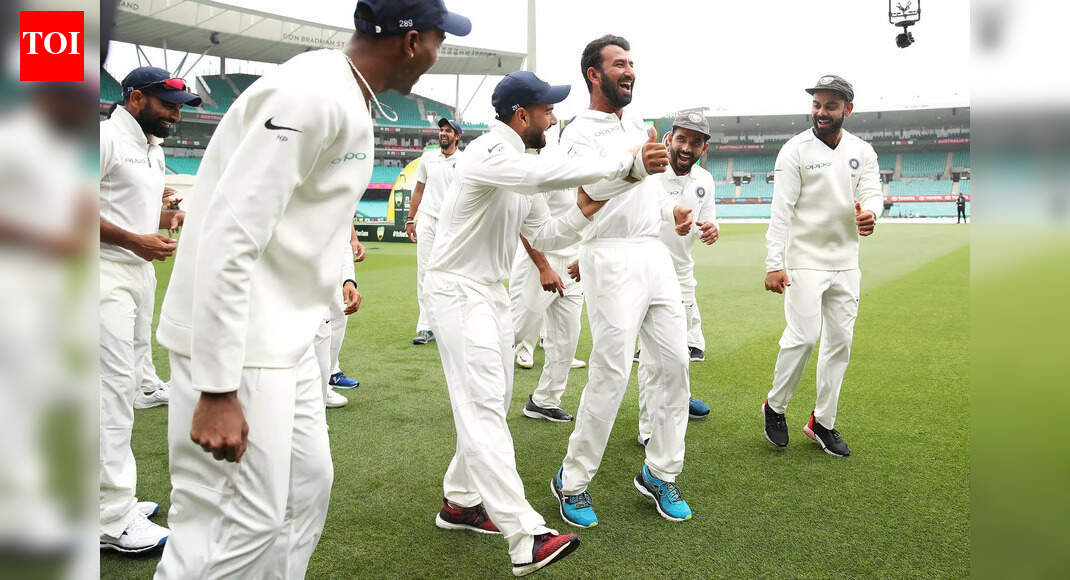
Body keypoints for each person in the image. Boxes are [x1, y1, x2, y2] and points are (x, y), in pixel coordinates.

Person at [152, 2, 469, 577]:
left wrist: (338, 276)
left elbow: (305, 210)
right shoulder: (311, 95)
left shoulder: (341, 89)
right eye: (438, 42)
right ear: (411, 40)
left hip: (286, 338)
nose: (436, 56)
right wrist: (218, 385)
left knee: (305, 490)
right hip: (243, 343)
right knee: (229, 520)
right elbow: (231, 234)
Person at [425, 70, 663, 576]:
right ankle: (524, 534)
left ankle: (460, 502)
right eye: (548, 110)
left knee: (488, 402)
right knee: (485, 408)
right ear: (521, 115)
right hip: (456, 290)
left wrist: (593, 206)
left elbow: (549, 233)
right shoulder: (491, 153)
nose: (554, 118)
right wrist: (628, 160)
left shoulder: (522, 163)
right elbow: (542, 177)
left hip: (487, 293)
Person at [552, 35, 695, 529]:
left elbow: (649, 192)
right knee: (610, 373)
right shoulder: (576, 133)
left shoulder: (636, 123)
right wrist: (636, 165)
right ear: (595, 74)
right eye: (619, 64)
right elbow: (589, 190)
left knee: (675, 364)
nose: (629, 71)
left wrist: (670, 210)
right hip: (607, 254)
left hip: (652, 253)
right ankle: (572, 481)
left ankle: (661, 471)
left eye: (632, 63)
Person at [99, 66, 199, 553]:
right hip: (97, 273)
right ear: (136, 98)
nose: (175, 115)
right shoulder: (102, 138)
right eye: (168, 105)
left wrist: (163, 217)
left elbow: (118, 205)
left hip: (135, 274)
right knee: (110, 392)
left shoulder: (151, 148)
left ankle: (107, 500)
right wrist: (133, 238)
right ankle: (109, 520)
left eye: (179, 107)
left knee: (131, 386)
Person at [761, 74, 882, 458]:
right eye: (817, 104)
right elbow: (780, 213)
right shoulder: (794, 150)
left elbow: (872, 193)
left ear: (848, 109)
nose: (821, 112)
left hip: (846, 262)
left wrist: (872, 215)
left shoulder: (862, 151)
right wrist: (773, 263)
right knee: (804, 337)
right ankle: (775, 407)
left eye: (830, 105)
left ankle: (822, 422)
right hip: (804, 261)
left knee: (840, 344)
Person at [635, 111, 720, 444]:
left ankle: (679, 400)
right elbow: (641, 216)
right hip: (645, 273)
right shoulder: (651, 174)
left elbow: (706, 222)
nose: (687, 147)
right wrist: (670, 217)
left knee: (680, 351)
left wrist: (710, 230)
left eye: (695, 142)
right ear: (670, 138)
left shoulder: (705, 181)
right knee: (653, 357)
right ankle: (647, 428)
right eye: (682, 139)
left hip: (682, 275)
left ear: (704, 147)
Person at [408, 117, 463, 345]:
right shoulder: (428, 158)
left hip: (452, 224)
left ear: (457, 136)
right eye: (441, 130)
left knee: (452, 275)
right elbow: (419, 191)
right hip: (428, 220)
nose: (443, 133)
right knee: (425, 272)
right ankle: (425, 327)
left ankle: (453, 325)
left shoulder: (465, 161)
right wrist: (411, 219)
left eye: (448, 130)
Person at [318, 232, 363, 409]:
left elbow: (342, 242)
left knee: (339, 314)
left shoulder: (342, 209)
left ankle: (323, 387)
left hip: (326, 260)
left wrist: (349, 281)